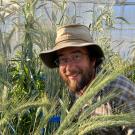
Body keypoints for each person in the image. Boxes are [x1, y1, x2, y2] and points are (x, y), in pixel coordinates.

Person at [39, 24, 135, 134]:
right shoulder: (74, 87)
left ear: (93, 59)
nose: (69, 68)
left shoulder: (120, 91)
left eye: (76, 57)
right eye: (63, 59)